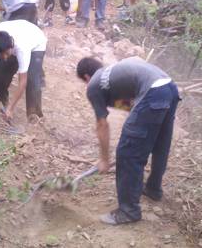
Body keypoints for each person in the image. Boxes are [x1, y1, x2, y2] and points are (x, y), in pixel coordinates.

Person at [76, 56, 180, 225]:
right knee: (160, 144)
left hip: (153, 91)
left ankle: (128, 211)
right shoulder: (111, 76)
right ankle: (153, 189)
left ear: (86, 77)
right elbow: (132, 106)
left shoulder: (93, 85)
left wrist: (104, 159)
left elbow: (102, 124)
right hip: (170, 88)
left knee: (127, 152)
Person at [0, 19, 47, 121]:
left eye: (7, 54)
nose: (5, 57)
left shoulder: (22, 48)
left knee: (32, 80)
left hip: (36, 42)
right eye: (1, 54)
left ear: (10, 46)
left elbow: (22, 81)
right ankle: (2, 102)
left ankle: (34, 115)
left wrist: (11, 108)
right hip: (17, 33)